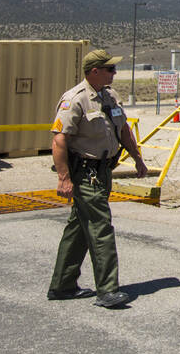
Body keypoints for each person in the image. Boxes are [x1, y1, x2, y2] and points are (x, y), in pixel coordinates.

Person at [47, 48, 148, 308]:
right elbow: (59, 140)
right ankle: (107, 290)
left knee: (79, 228)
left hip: (103, 171)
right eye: (110, 69)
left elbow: (123, 129)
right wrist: (63, 178)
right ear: (94, 71)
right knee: (101, 227)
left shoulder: (110, 96)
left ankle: (63, 285)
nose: (114, 73)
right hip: (85, 173)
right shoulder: (75, 99)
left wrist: (137, 158)